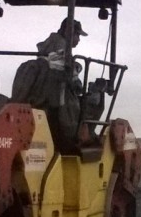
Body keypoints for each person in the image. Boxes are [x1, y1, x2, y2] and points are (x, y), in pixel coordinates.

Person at [11, 18, 96, 153]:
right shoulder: (61, 51)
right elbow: (75, 84)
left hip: (43, 107)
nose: (78, 39)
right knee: (89, 102)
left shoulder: (48, 50)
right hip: (57, 113)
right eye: (77, 35)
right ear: (69, 32)